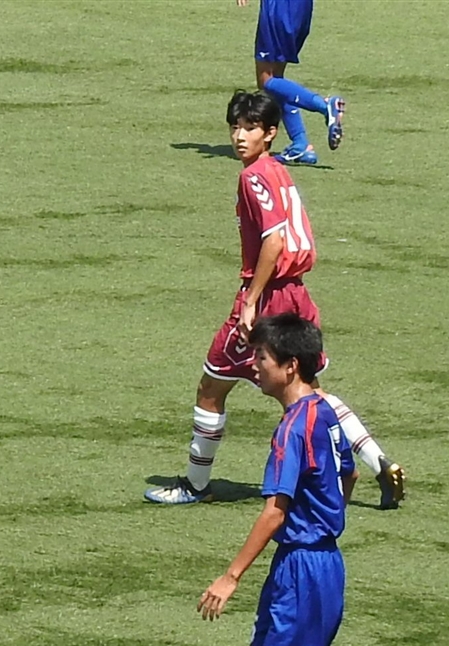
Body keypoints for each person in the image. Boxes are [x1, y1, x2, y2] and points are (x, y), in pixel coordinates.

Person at [145, 90, 404, 509]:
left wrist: (251, 300)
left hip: (270, 298)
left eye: (250, 128)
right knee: (311, 392)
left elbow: (274, 240)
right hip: (297, 293)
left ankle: (195, 484)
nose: (239, 136)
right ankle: (377, 462)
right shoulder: (279, 170)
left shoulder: (252, 177)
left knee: (212, 386)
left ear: (270, 133)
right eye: (235, 127)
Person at [197, 313, 406, 646]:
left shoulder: (293, 427)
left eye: (261, 359)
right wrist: (328, 518)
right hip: (308, 560)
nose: (254, 367)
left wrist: (230, 576)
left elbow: (275, 510)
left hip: (305, 569)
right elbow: (349, 472)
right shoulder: (326, 410)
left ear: (290, 366)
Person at [236, 0, 343, 165]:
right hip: (301, 8)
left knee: (266, 80)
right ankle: (301, 144)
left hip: (279, 8)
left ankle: (325, 107)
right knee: (276, 79)